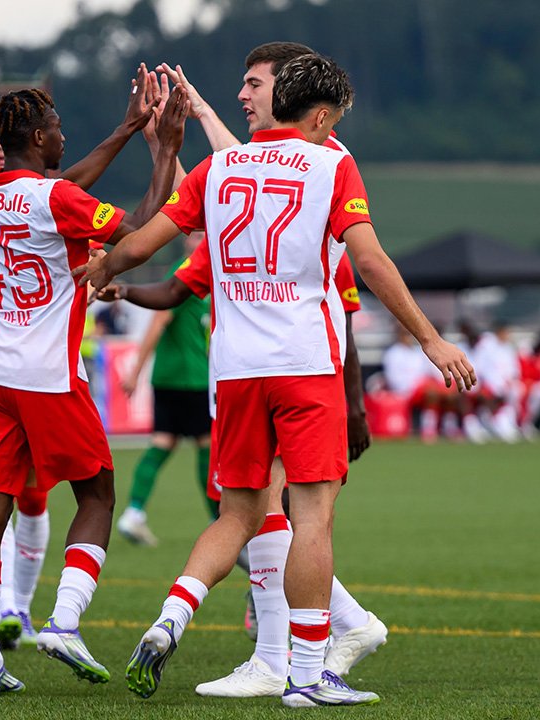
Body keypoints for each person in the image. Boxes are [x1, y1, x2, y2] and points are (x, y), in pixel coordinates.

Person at [85, 53, 474, 706]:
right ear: (322, 116)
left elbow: (143, 243)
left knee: (237, 515)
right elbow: (369, 260)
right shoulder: (331, 164)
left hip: (235, 373)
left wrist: (102, 269)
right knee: (312, 518)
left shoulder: (218, 168)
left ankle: (169, 618)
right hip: (305, 365)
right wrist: (429, 338)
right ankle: (309, 675)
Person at [0, 80, 187, 696]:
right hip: (47, 377)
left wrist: (124, 127)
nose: (63, 136)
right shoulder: (55, 199)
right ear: (38, 138)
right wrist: (163, 149)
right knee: (98, 496)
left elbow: (64, 185)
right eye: (56, 127)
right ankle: (62, 621)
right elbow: (139, 231)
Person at [113, 230, 212, 547]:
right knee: (207, 445)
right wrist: (136, 371)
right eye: (192, 236)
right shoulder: (186, 273)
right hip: (190, 377)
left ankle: (134, 513)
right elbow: (159, 322)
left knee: (162, 443)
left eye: (200, 236)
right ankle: (218, 519)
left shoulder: (206, 271)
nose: (193, 242)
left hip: (172, 377)